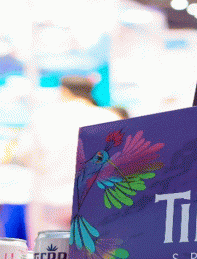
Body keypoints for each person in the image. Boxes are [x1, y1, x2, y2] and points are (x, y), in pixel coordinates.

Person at [19, 76, 121, 246]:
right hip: (93, 200)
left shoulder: (44, 116)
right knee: (90, 256)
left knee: (48, 255)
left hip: (49, 199)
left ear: (64, 91)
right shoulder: (109, 117)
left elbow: (25, 155)